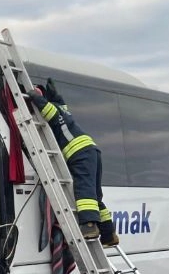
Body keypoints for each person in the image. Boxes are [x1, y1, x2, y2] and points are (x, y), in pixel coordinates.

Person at [27, 78, 117, 246]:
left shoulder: (54, 110)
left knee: (84, 189)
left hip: (79, 152)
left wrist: (35, 97)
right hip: (92, 150)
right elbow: (60, 104)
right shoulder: (63, 109)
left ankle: (89, 227)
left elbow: (49, 111)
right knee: (95, 195)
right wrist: (55, 95)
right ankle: (108, 234)